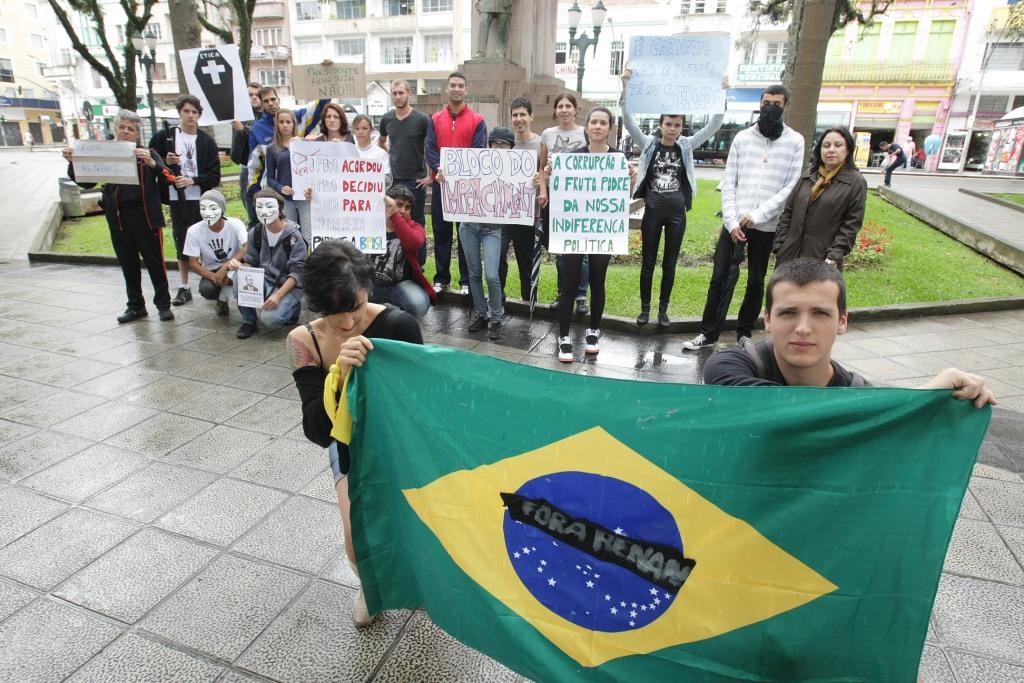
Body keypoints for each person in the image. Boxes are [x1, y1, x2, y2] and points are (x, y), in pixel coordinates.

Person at [287, 239, 423, 626]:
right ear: (315, 304)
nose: (346, 324)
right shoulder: (304, 342)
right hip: (346, 441)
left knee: (411, 514)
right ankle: (371, 583)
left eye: (356, 308)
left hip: (398, 438)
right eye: (333, 313)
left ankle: (419, 577)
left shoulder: (397, 325)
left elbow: (418, 403)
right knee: (355, 527)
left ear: (368, 291)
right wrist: (342, 377)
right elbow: (316, 429)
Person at [703, 258, 997, 410]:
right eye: (788, 313)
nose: (803, 328)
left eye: (820, 313)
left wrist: (951, 399)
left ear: (842, 322)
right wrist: (916, 397)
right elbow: (788, 409)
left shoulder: (859, 394)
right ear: (768, 320)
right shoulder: (728, 367)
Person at [683, 84, 804, 352]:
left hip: (766, 225)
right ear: (759, 104)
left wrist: (759, 214)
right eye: (766, 102)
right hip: (735, 224)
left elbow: (790, 186)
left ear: (786, 107)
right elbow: (729, 182)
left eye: (777, 103)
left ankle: (744, 333)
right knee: (719, 278)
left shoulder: (795, 141)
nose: (770, 108)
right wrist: (732, 221)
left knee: (756, 280)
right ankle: (708, 333)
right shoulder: (742, 138)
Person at [620, 67, 725, 327]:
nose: (672, 129)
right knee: (648, 263)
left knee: (669, 265)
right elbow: (628, 119)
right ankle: (645, 309)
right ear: (660, 124)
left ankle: (663, 310)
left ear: (681, 127)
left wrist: (721, 93)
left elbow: (714, 125)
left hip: (677, 213)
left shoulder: (686, 146)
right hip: (652, 212)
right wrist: (625, 88)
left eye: (677, 125)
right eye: (668, 124)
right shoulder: (649, 144)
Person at [62, 109, 174, 324]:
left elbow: (168, 176)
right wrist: (72, 162)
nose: (126, 132)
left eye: (130, 129)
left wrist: (153, 163)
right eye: (122, 128)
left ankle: (163, 305)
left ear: (137, 134)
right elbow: (87, 182)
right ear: (115, 130)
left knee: (155, 264)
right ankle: (135, 306)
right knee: (128, 265)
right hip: (119, 219)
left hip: (146, 218)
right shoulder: (105, 153)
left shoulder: (148, 153)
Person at [554, 107, 637, 362]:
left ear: (610, 128)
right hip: (575, 230)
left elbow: (621, 197)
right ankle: (564, 336)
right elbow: (562, 193)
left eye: (603, 122)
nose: (598, 126)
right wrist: (550, 174)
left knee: (597, 282)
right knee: (568, 285)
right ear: (587, 126)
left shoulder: (618, 158)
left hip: (602, 230)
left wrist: (631, 180)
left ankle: (593, 331)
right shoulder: (572, 157)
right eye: (594, 122)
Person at [149, 95, 222, 308]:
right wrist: (165, 161)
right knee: (182, 240)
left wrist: (193, 180)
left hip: (200, 199)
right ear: (179, 112)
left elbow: (214, 175)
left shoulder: (206, 141)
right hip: (177, 199)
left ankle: (214, 280)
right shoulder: (165, 137)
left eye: (194, 112)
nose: (190, 116)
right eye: (186, 111)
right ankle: (184, 285)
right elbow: (152, 162)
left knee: (207, 240)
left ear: (199, 115)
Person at [425, 72, 488, 295]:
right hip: (442, 184)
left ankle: (466, 280)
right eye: (453, 85)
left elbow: (479, 152)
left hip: (466, 188)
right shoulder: (434, 119)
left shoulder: (477, 120)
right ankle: (442, 278)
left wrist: (461, 174)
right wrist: (438, 169)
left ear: (466, 90)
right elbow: (430, 149)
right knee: (441, 233)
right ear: (446, 89)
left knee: (465, 235)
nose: (457, 89)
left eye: (461, 85)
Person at [773, 127, 867, 269]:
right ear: (820, 150)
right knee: (785, 291)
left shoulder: (855, 182)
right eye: (826, 145)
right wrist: (781, 243)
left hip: (823, 259)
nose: (831, 150)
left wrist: (835, 254)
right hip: (789, 255)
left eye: (838, 145)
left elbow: (851, 224)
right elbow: (788, 212)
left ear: (848, 150)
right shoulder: (807, 176)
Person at [458, 127, 516, 340]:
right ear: (489, 145)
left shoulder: (516, 171)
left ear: (511, 148)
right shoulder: (477, 163)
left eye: (504, 144)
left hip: (493, 229)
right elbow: (458, 180)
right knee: (474, 274)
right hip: (469, 226)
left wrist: (533, 183)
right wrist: (446, 177)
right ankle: (482, 315)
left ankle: (497, 317)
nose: (499, 148)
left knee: (492, 275)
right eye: (496, 144)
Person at [229, 189, 307, 339]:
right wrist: (240, 266)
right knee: (239, 276)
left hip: (288, 287)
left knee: (270, 320)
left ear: (279, 210)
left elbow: (297, 272)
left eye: (269, 206)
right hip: (265, 280)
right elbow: (252, 263)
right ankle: (248, 321)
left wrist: (278, 296)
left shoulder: (294, 236)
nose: (264, 211)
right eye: (259, 207)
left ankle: (292, 309)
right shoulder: (255, 233)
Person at [542, 93, 590, 315]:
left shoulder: (585, 133)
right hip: (556, 198)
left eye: (568, 106)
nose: (563, 110)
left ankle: (581, 295)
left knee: (582, 250)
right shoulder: (548, 135)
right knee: (560, 251)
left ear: (575, 109)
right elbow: (542, 168)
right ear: (555, 110)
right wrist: (544, 192)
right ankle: (564, 293)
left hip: (580, 199)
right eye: (559, 106)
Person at [500, 97, 548, 300]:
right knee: (497, 259)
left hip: (528, 214)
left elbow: (544, 172)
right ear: (510, 118)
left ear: (531, 116)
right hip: (502, 213)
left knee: (526, 262)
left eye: (523, 115)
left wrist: (541, 184)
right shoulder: (504, 143)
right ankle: (497, 300)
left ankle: (529, 303)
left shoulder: (540, 144)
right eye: (515, 115)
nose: (519, 119)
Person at [246, 85, 329, 198]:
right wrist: (254, 191)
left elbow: (320, 105)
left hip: (302, 191)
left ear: (278, 99)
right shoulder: (257, 129)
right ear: (261, 103)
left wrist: (327, 75)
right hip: (277, 193)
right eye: (266, 101)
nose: (270, 103)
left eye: (273, 99)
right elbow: (254, 166)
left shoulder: (297, 117)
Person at [368, 184, 436, 319]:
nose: (403, 210)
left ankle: (398, 322)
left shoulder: (416, 228)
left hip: (399, 285)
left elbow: (413, 243)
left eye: (407, 207)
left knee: (419, 304)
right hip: (367, 284)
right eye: (398, 205)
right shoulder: (369, 223)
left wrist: (394, 215)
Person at [378, 79, 431, 239]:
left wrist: (430, 176)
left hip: (416, 181)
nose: (398, 96)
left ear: (409, 93)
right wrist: (392, 154)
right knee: (393, 222)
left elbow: (431, 147)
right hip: (394, 180)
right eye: (394, 93)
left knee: (416, 223)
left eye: (401, 92)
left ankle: (417, 262)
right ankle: (396, 261)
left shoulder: (422, 119)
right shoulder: (386, 119)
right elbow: (381, 141)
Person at [183, 189, 248, 316]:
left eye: (213, 208)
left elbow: (248, 247)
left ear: (222, 209)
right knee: (207, 289)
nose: (207, 213)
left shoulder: (235, 223)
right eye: (203, 208)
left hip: (235, 265)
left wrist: (226, 266)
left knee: (244, 278)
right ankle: (221, 299)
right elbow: (193, 263)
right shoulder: (194, 231)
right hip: (212, 269)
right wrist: (214, 277)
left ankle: (245, 308)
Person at [261, 109, 311, 241]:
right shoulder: (272, 148)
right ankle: (292, 260)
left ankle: (309, 261)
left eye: (288, 122)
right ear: (276, 124)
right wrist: (280, 188)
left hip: (304, 197)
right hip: (286, 199)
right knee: (289, 235)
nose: (285, 125)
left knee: (308, 236)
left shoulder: (304, 144)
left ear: (294, 124)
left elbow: (315, 167)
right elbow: (270, 178)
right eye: (281, 122)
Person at [230, 82, 263, 227]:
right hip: (246, 168)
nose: (254, 98)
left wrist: (245, 129)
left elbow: (265, 131)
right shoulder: (241, 116)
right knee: (251, 211)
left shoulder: (271, 115)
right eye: (250, 95)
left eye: (258, 95)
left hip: (266, 168)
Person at [351, 115, 392, 187]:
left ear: (371, 130)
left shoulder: (381, 154)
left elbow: (387, 180)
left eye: (364, 128)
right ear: (353, 131)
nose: (360, 132)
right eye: (357, 129)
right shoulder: (348, 152)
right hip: (352, 197)